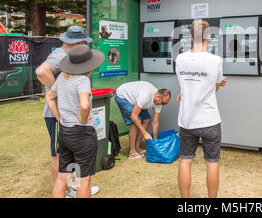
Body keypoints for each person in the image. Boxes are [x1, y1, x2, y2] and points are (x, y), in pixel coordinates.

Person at [36, 26, 99, 196]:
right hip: (74, 125)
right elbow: (41, 72)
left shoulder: (66, 73)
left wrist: (62, 98)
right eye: (84, 42)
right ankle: (72, 189)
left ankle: (70, 188)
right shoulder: (61, 56)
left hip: (65, 122)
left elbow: (50, 95)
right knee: (72, 169)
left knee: (63, 169)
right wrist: (68, 98)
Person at [45, 44, 105, 198]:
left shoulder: (62, 78)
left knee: (62, 176)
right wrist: (84, 119)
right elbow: (84, 105)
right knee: (83, 180)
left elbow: (49, 97)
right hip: (82, 135)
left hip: (65, 132)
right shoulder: (82, 80)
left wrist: (58, 117)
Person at [175, 19, 227, 198]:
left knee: (185, 161)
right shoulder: (216, 61)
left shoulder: (180, 59)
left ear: (190, 36)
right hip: (209, 120)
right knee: (212, 163)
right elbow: (215, 86)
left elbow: (184, 87)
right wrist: (220, 83)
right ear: (209, 37)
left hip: (187, 120)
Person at [114, 81, 171, 160]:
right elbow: (134, 116)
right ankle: (132, 152)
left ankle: (137, 147)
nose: (162, 104)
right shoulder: (146, 95)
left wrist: (155, 142)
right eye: (162, 102)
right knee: (136, 122)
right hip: (123, 96)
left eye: (164, 103)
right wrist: (145, 133)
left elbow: (155, 123)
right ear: (158, 96)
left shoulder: (160, 102)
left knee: (147, 120)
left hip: (137, 100)